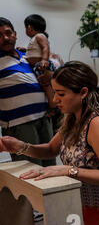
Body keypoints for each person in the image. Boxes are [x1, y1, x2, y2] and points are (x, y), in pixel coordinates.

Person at [0, 61, 99, 225]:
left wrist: (68, 170)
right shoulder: (73, 119)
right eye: (54, 92)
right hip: (88, 204)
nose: (55, 99)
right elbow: (51, 149)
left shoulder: (98, 124)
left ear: (83, 92)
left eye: (61, 94)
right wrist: (21, 147)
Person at [0, 17, 55, 166]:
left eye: (8, 33)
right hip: (19, 125)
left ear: (15, 34)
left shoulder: (27, 56)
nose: (5, 38)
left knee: (50, 166)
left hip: (44, 119)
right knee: (30, 171)